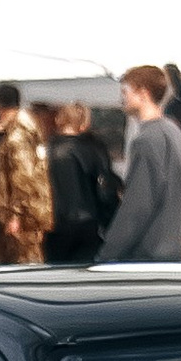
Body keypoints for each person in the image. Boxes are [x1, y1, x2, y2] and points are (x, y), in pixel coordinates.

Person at [99, 65, 181, 264]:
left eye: (125, 92)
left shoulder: (148, 139)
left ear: (143, 93)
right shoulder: (175, 134)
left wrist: (108, 253)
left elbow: (138, 205)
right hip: (177, 248)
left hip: (150, 253)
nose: (122, 99)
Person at [0, 81, 55, 262]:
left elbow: (22, 177)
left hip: (23, 217)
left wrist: (16, 215)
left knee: (23, 265)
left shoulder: (18, 137)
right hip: (26, 212)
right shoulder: (23, 129)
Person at [43, 100, 118, 266]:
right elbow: (106, 189)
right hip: (89, 222)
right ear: (84, 121)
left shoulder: (46, 150)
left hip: (55, 223)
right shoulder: (95, 148)